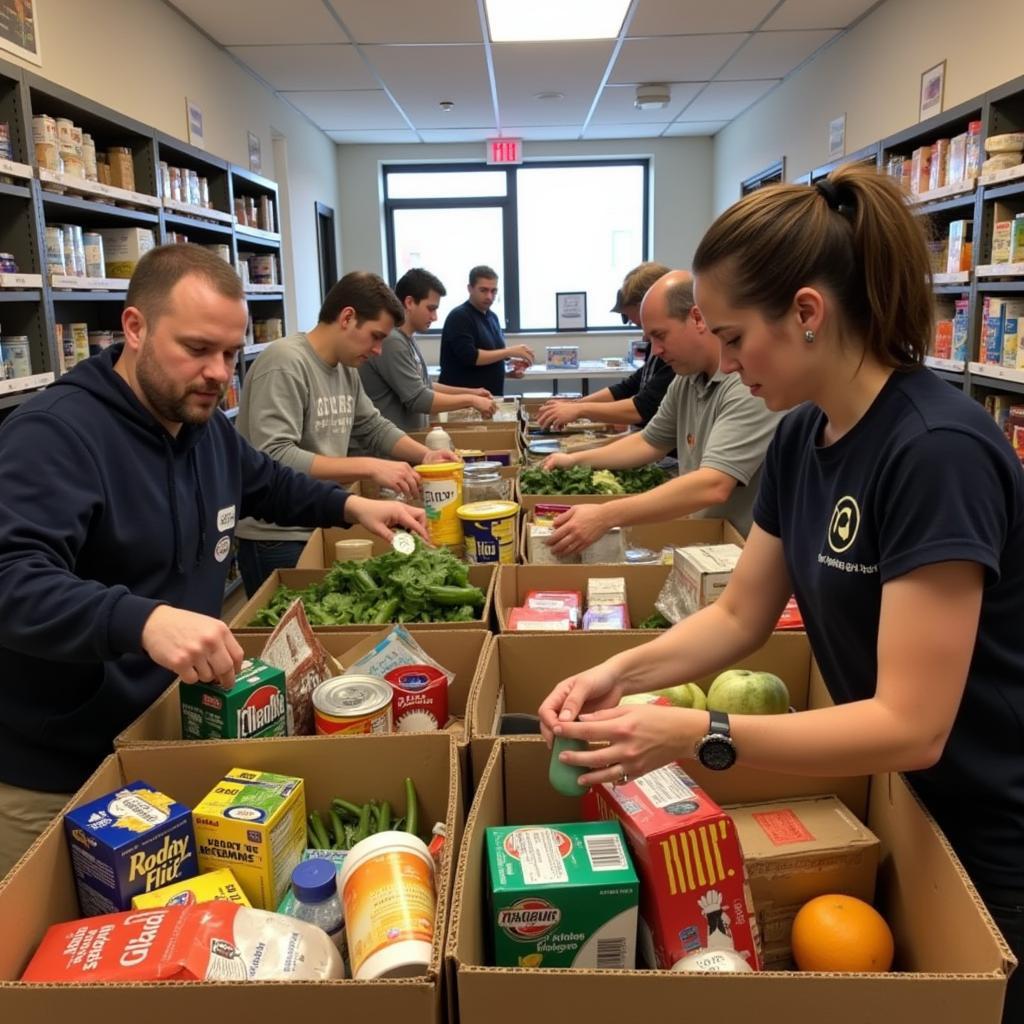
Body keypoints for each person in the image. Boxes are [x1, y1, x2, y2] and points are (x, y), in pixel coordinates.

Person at [538, 166, 1024, 1021]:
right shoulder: (803, 435)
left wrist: (700, 733)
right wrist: (623, 672)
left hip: (993, 825)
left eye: (732, 338)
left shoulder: (935, 452)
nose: (721, 363)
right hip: (904, 801)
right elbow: (737, 614)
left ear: (807, 314)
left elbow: (916, 724)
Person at [0, 244, 427, 877]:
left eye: (230, 354)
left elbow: (266, 482)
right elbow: (12, 578)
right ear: (135, 328)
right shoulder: (55, 435)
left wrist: (349, 508)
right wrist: (142, 620)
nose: (218, 373)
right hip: (61, 771)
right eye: (197, 349)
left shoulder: (199, 426)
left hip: (164, 733)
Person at [235, 271, 455, 595]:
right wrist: (370, 466)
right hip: (276, 535)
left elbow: (372, 425)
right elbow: (275, 456)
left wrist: (426, 455)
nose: (379, 350)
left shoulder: (345, 369)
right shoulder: (285, 362)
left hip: (319, 518)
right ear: (347, 318)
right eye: (375, 336)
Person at [540, 270, 783, 555]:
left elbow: (713, 484)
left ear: (697, 318)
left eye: (660, 335)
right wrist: (573, 460)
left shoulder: (747, 385)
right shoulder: (686, 378)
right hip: (710, 543)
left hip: (746, 550)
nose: (655, 351)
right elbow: (649, 441)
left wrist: (605, 515)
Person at [536, 261, 675, 431]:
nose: (644, 336)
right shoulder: (655, 343)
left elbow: (643, 407)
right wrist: (575, 405)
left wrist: (579, 409)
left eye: (632, 318)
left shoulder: (676, 352)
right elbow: (630, 386)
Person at [359, 267, 498, 432]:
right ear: (409, 302)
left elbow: (425, 386)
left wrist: (472, 392)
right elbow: (419, 399)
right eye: (431, 308)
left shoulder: (407, 338)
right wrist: (470, 400)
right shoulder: (392, 341)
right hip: (388, 450)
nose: (434, 317)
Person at [438, 265, 535, 397]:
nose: (489, 296)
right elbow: (471, 357)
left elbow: (492, 356)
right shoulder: (459, 316)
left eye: (493, 291)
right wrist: (511, 351)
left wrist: (508, 369)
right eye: (483, 290)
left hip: (491, 398)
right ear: (470, 289)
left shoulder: (493, 317)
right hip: (462, 401)